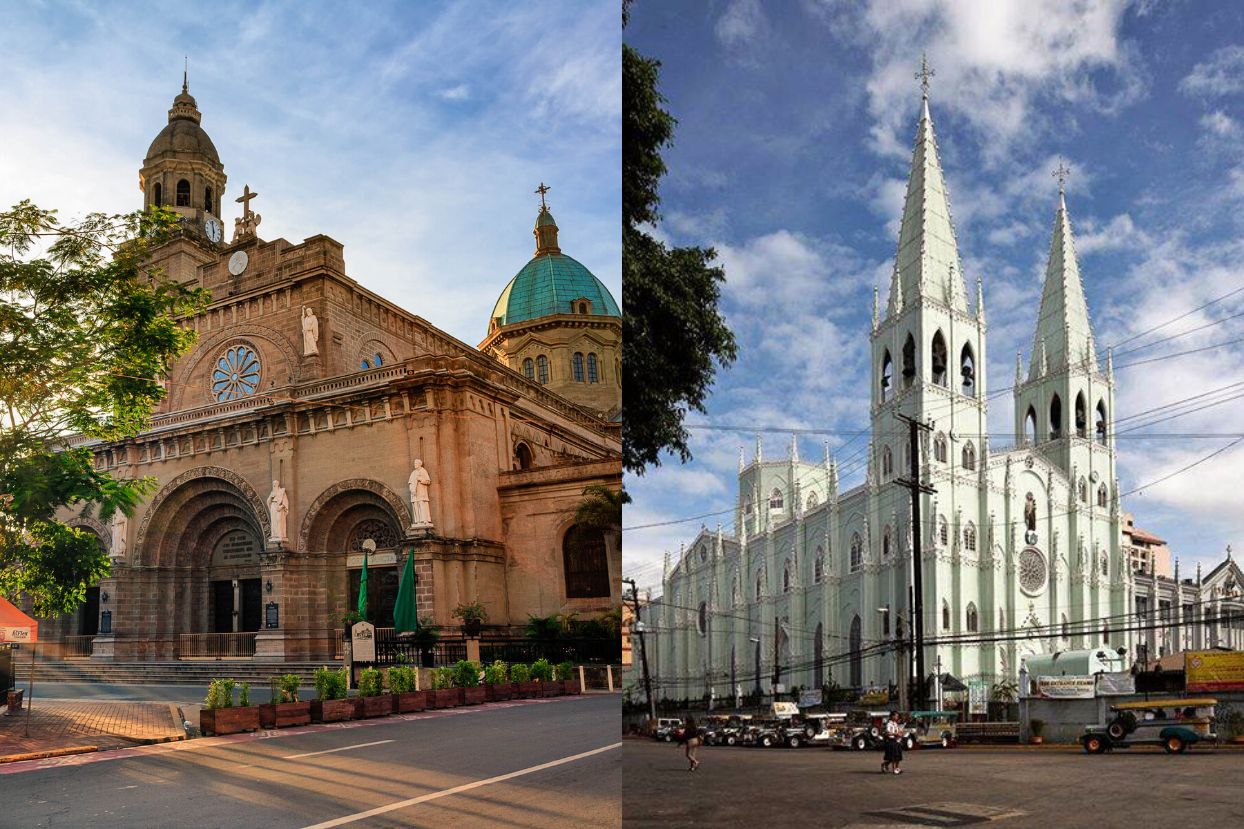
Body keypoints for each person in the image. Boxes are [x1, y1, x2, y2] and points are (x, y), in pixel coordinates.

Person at [883, 710, 904, 775]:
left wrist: (900, 733)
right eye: (896, 716)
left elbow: (898, 731)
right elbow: (887, 733)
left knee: (898, 756)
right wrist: (896, 734)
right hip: (890, 741)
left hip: (896, 741)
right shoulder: (889, 724)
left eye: (897, 716)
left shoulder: (895, 724)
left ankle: (894, 767)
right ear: (892, 716)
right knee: (893, 757)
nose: (897, 717)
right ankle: (894, 769)